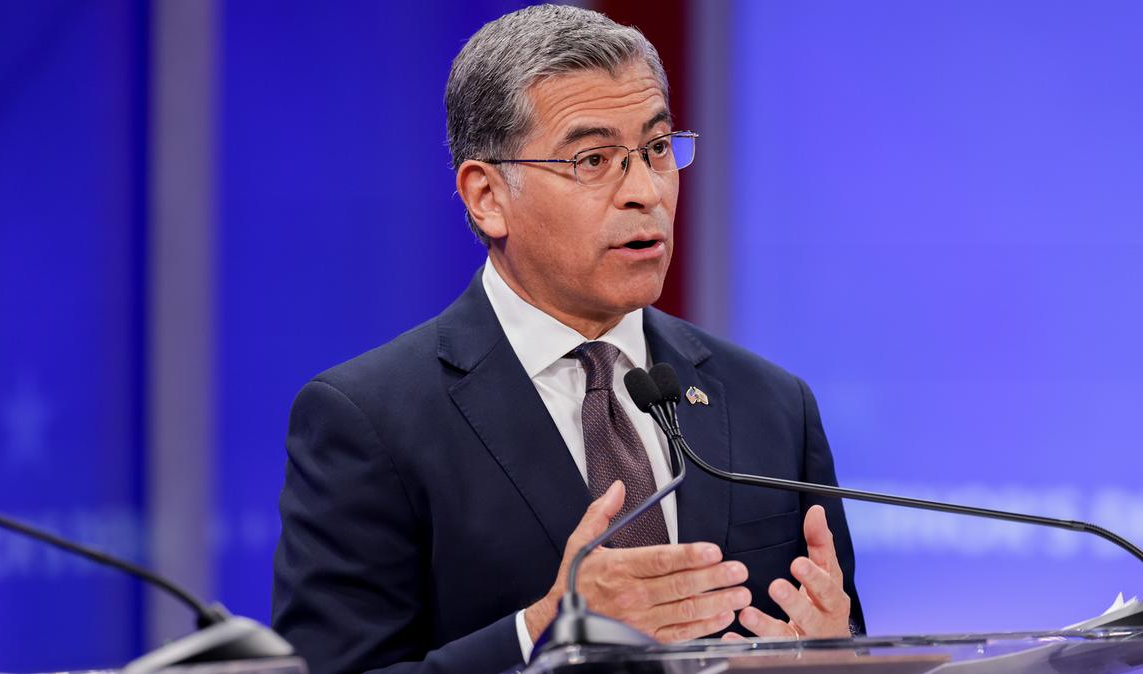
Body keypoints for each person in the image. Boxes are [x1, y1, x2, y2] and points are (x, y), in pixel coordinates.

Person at [272, 5, 864, 673]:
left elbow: (840, 637)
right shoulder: (369, 421)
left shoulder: (773, 406)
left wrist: (835, 655)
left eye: (658, 148)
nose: (645, 191)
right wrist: (543, 629)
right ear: (486, 196)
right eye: (594, 159)